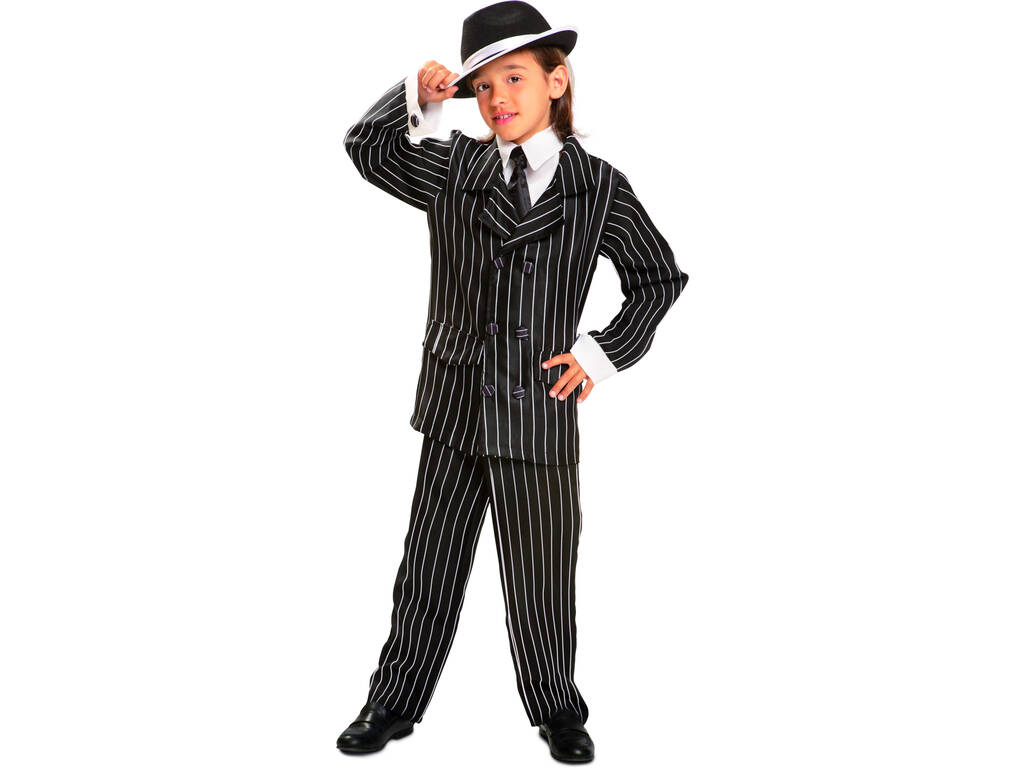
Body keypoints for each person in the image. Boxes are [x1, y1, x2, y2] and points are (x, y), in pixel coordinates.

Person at [336, 1, 688, 762]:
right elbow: (366, 148)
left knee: (542, 579)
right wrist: (417, 97)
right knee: (427, 571)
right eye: (484, 86)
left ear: (556, 81)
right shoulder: (454, 168)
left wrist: (600, 354)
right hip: (455, 405)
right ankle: (392, 703)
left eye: (516, 78)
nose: (498, 98)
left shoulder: (598, 187)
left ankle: (557, 711)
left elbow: (658, 278)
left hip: (539, 410)